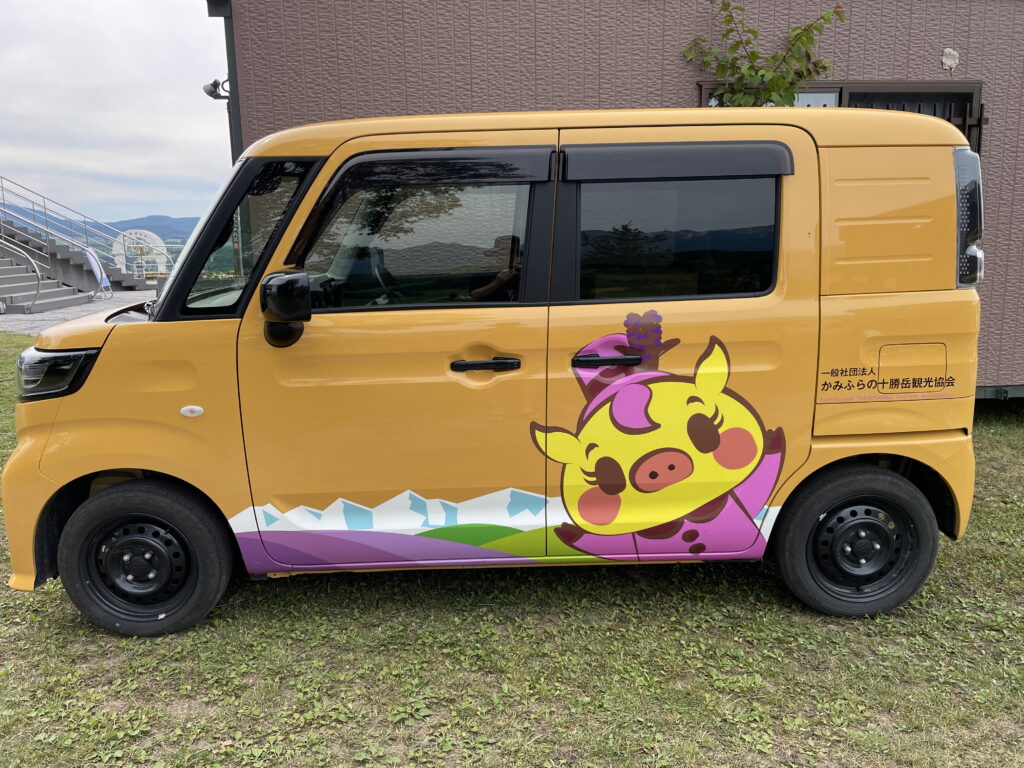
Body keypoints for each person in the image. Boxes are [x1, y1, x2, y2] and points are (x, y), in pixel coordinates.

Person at [469, 235, 521, 302]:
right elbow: (474, 295)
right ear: (496, 254)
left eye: (512, 254)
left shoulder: (520, 273)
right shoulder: (483, 272)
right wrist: (496, 283)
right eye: (503, 253)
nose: (509, 257)